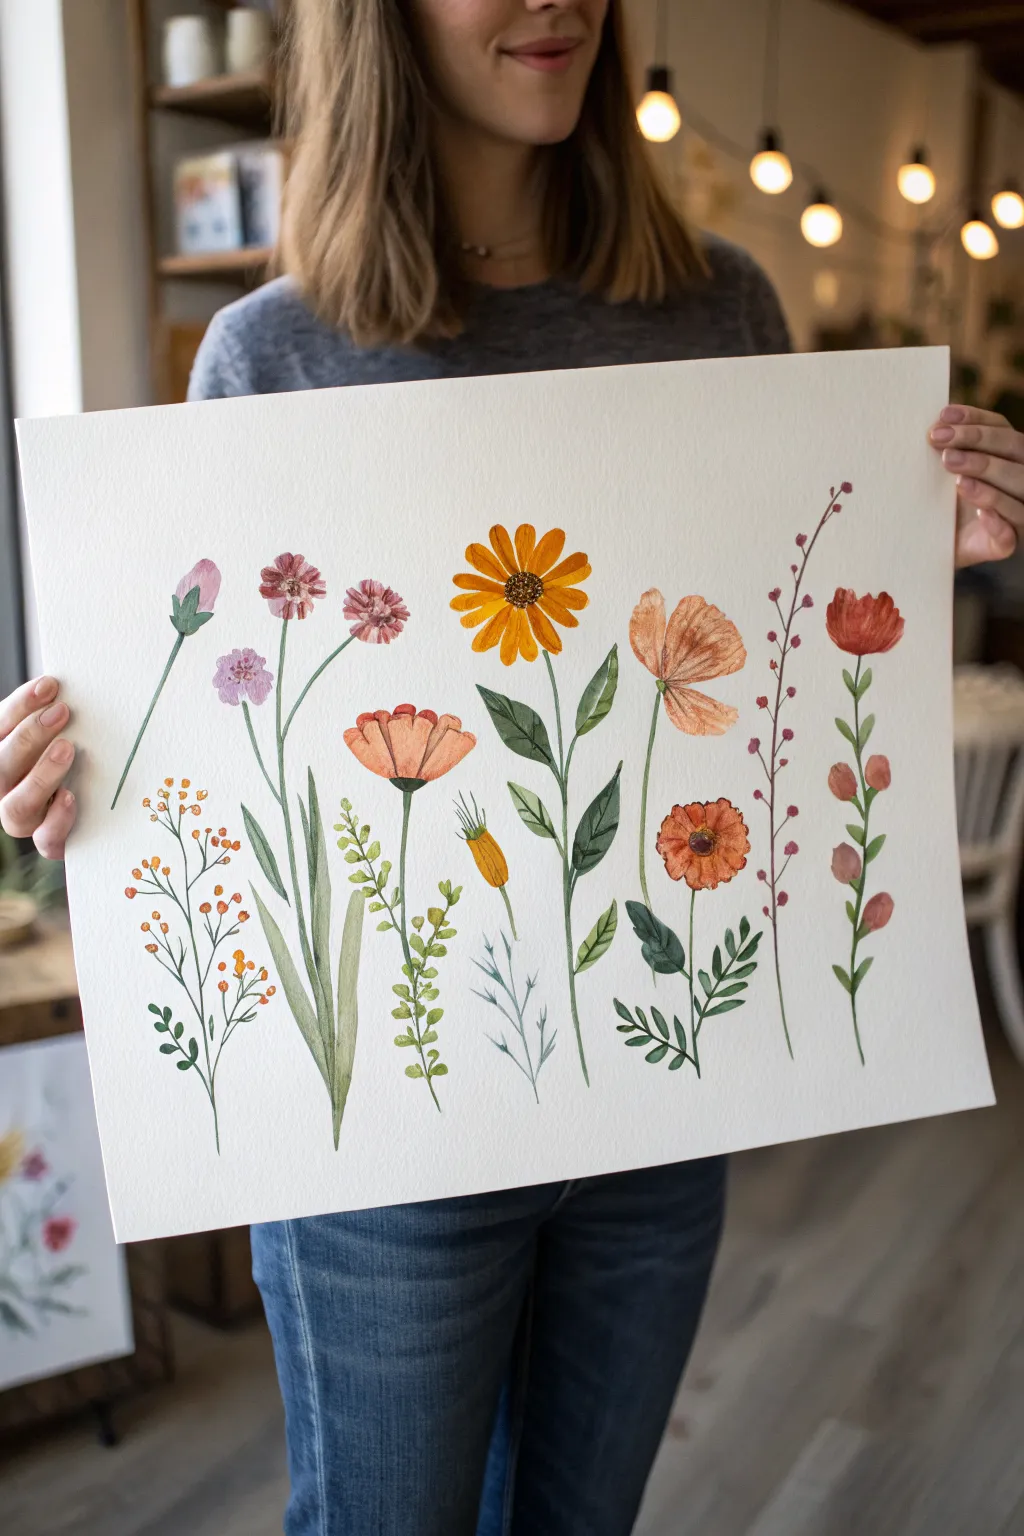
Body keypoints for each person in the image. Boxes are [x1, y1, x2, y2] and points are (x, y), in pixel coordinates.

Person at [2, 0, 1022, 1529]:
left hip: (658, 1113)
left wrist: (907, 545)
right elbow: (233, 718)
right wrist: (89, 777)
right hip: (383, 1161)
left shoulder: (722, 306)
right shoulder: (270, 350)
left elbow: (768, 663)